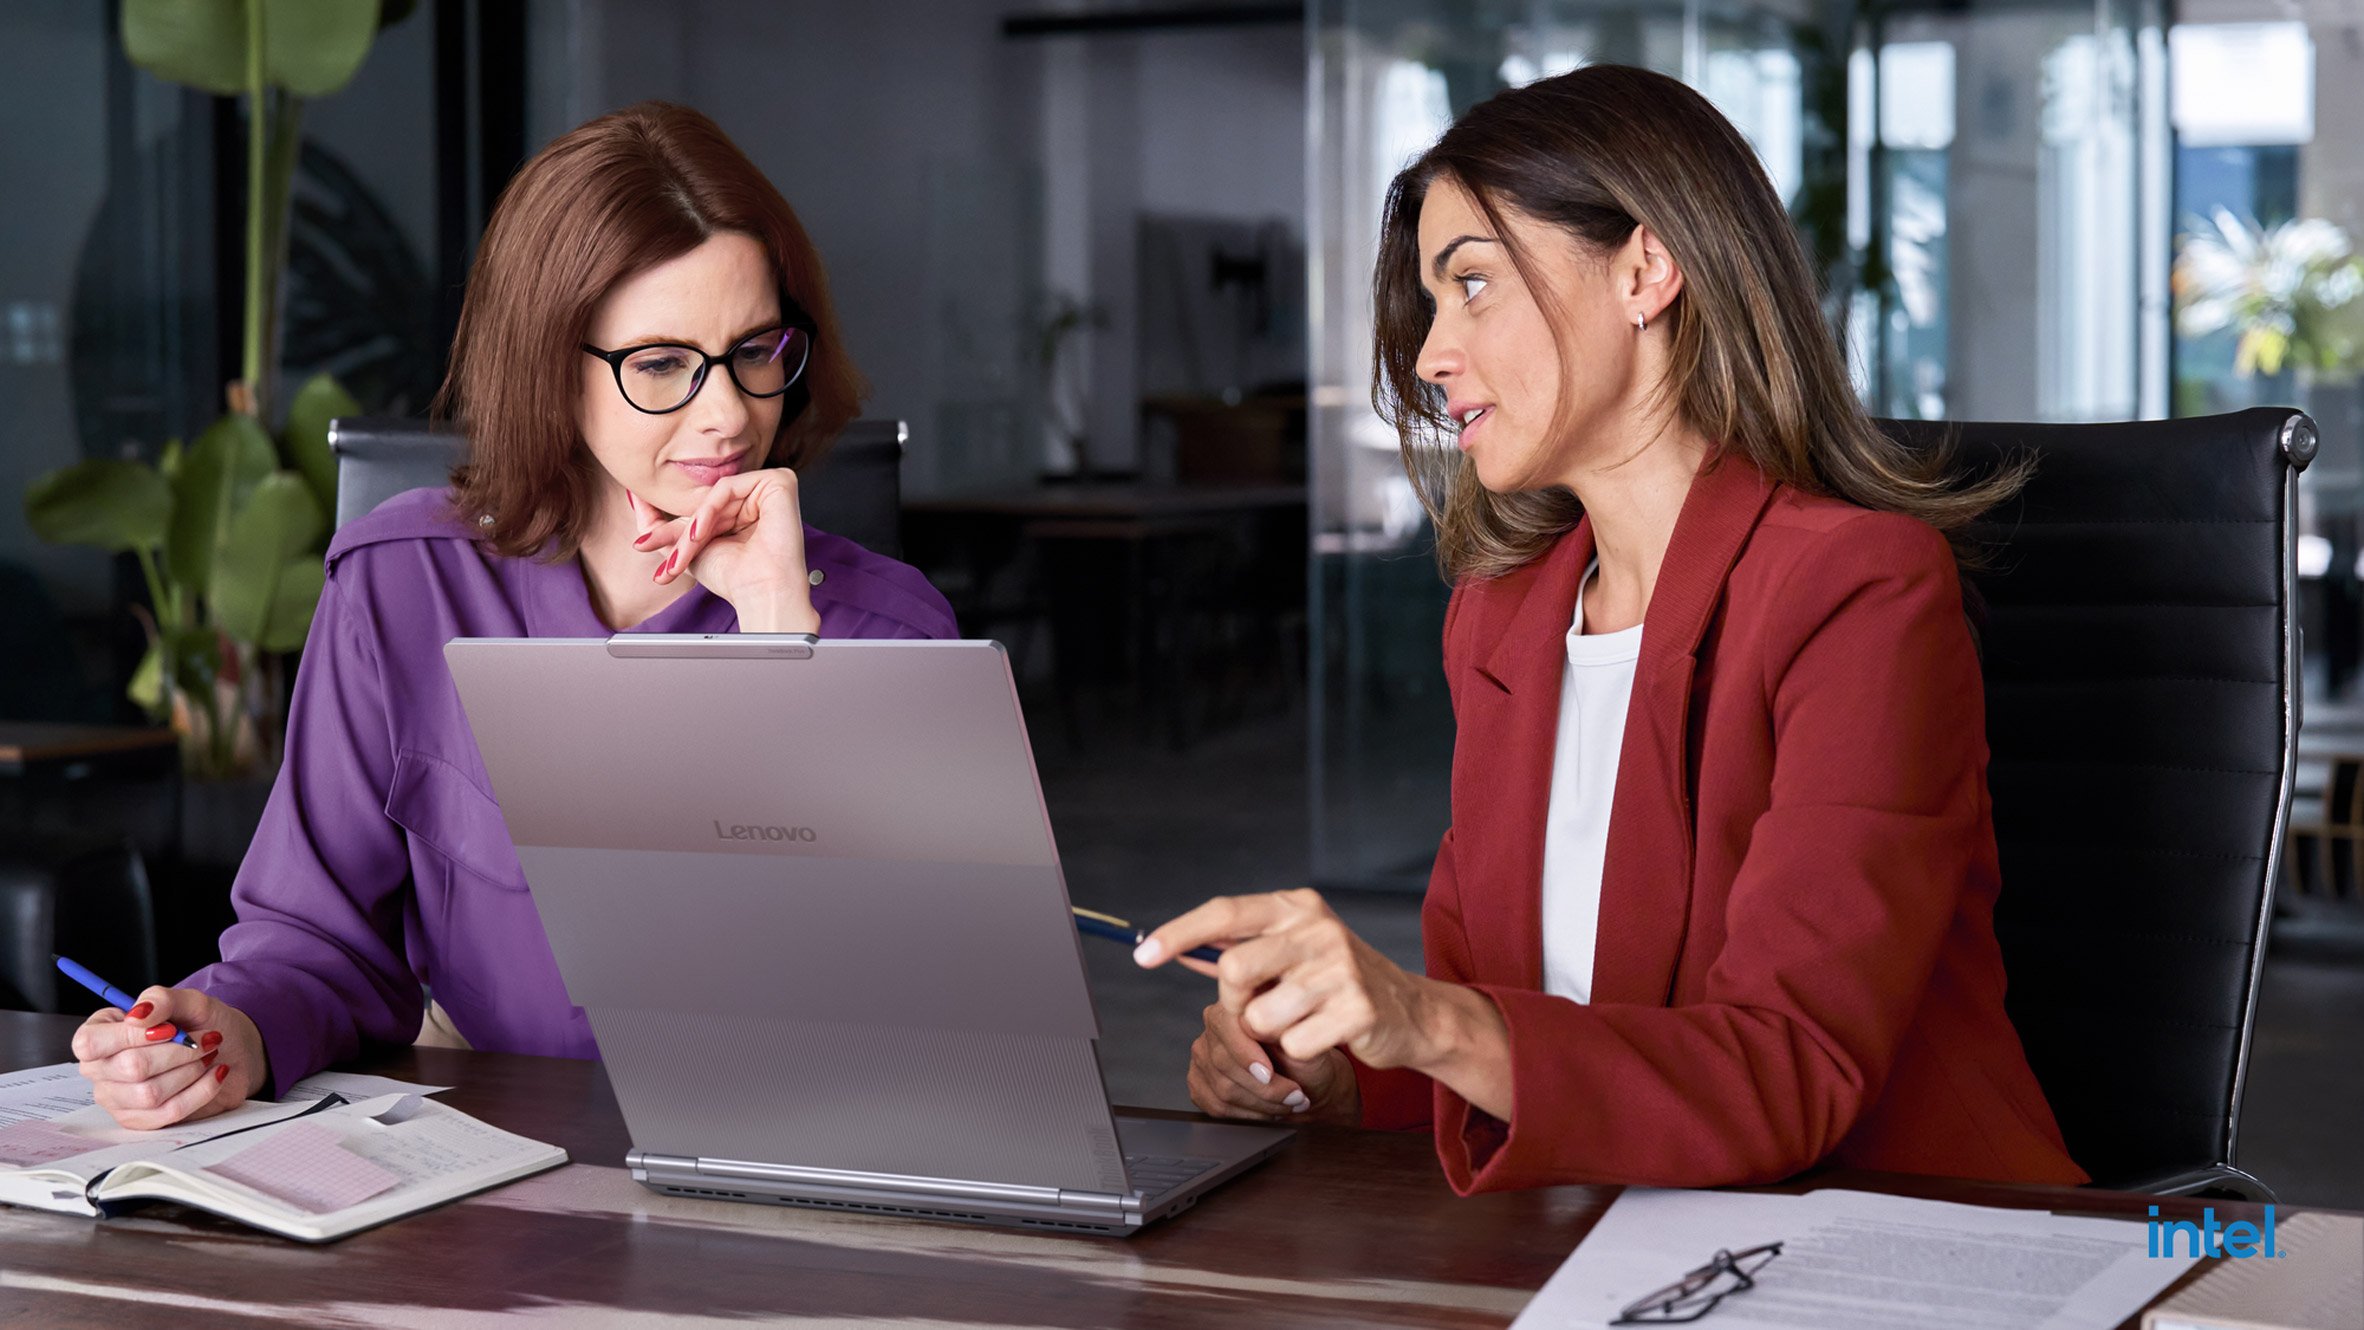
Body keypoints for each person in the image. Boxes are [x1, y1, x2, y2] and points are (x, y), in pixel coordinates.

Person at [1137, 65, 2087, 1190]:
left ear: (1645, 268)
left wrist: (1425, 1021)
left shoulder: (1860, 592)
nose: (1435, 352)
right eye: (1434, 304)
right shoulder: (1503, 620)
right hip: (1613, 1242)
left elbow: (1791, 1066)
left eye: (1473, 284)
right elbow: (1532, 1032)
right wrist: (1346, 1071)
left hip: (1902, 1240)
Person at [74, 102, 956, 1129]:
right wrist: (231, 1032)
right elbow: (318, 942)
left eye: (756, 349)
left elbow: (917, 1018)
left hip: (796, 1167)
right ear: (548, 362)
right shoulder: (404, 584)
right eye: (662, 364)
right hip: (497, 1174)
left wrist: (773, 628)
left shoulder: (890, 634)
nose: (728, 414)